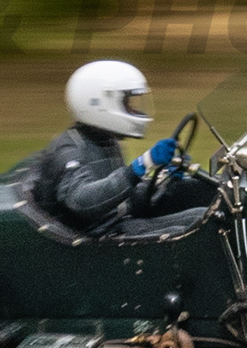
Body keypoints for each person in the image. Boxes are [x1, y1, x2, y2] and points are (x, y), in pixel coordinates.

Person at [29, 58, 203, 234]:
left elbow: (122, 200)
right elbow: (82, 202)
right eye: (127, 104)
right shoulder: (69, 150)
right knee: (194, 232)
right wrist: (142, 165)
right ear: (99, 104)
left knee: (201, 217)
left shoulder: (106, 143)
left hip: (116, 226)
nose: (135, 110)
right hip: (93, 237)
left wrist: (161, 182)